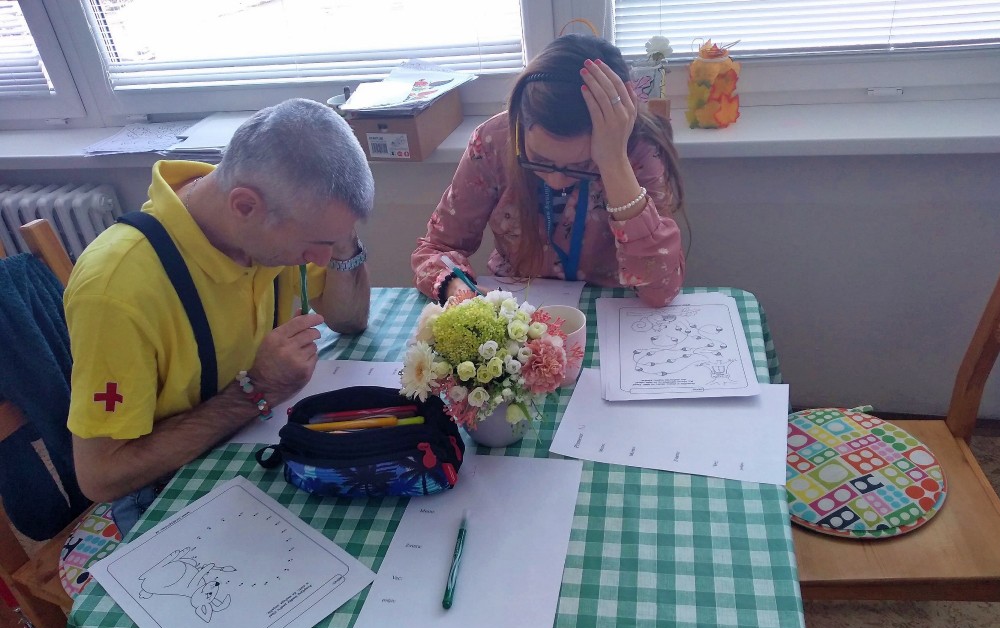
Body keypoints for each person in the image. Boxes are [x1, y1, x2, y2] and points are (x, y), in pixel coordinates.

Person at [64, 98, 374, 535]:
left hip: (258, 444)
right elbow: (102, 476)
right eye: (314, 243)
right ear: (245, 206)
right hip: (168, 490)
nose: (321, 259)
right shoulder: (117, 289)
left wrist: (340, 235)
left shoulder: (264, 219)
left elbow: (348, 319)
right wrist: (257, 390)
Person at [411, 34, 685, 308]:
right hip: (517, 305)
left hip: (610, 307)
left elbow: (661, 290)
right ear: (520, 123)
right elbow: (436, 248)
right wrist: (457, 290)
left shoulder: (638, 150)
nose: (556, 180)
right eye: (540, 160)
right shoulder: (493, 141)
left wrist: (614, 163)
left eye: (581, 166)